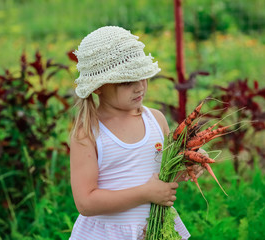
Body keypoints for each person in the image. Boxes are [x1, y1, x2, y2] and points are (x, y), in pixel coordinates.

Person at [69, 26, 191, 240]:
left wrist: (187, 169)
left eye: (142, 77)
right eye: (127, 82)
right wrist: (145, 193)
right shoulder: (88, 133)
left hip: (155, 228)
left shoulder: (155, 120)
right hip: (109, 234)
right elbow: (85, 202)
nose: (139, 87)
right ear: (98, 87)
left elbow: (162, 175)